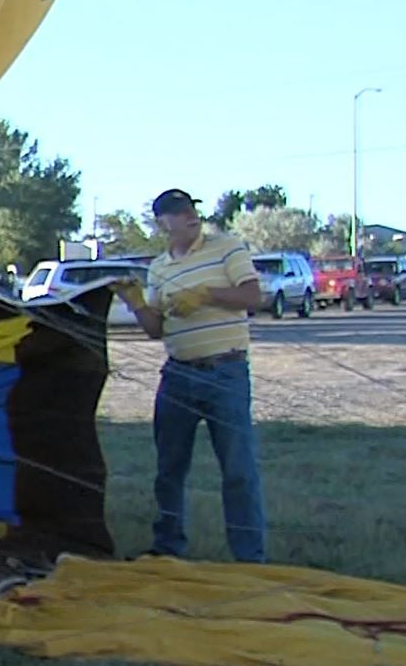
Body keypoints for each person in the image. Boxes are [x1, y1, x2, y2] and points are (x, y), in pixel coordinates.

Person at [111, 189, 268, 563]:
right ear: (162, 223)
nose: (190, 216)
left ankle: (249, 558)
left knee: (238, 469)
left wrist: (206, 294)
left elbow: (253, 297)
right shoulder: (159, 268)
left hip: (225, 371)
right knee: (169, 468)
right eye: (179, 212)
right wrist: (137, 303)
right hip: (178, 374)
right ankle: (167, 547)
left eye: (191, 210)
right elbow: (156, 329)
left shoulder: (226, 247)